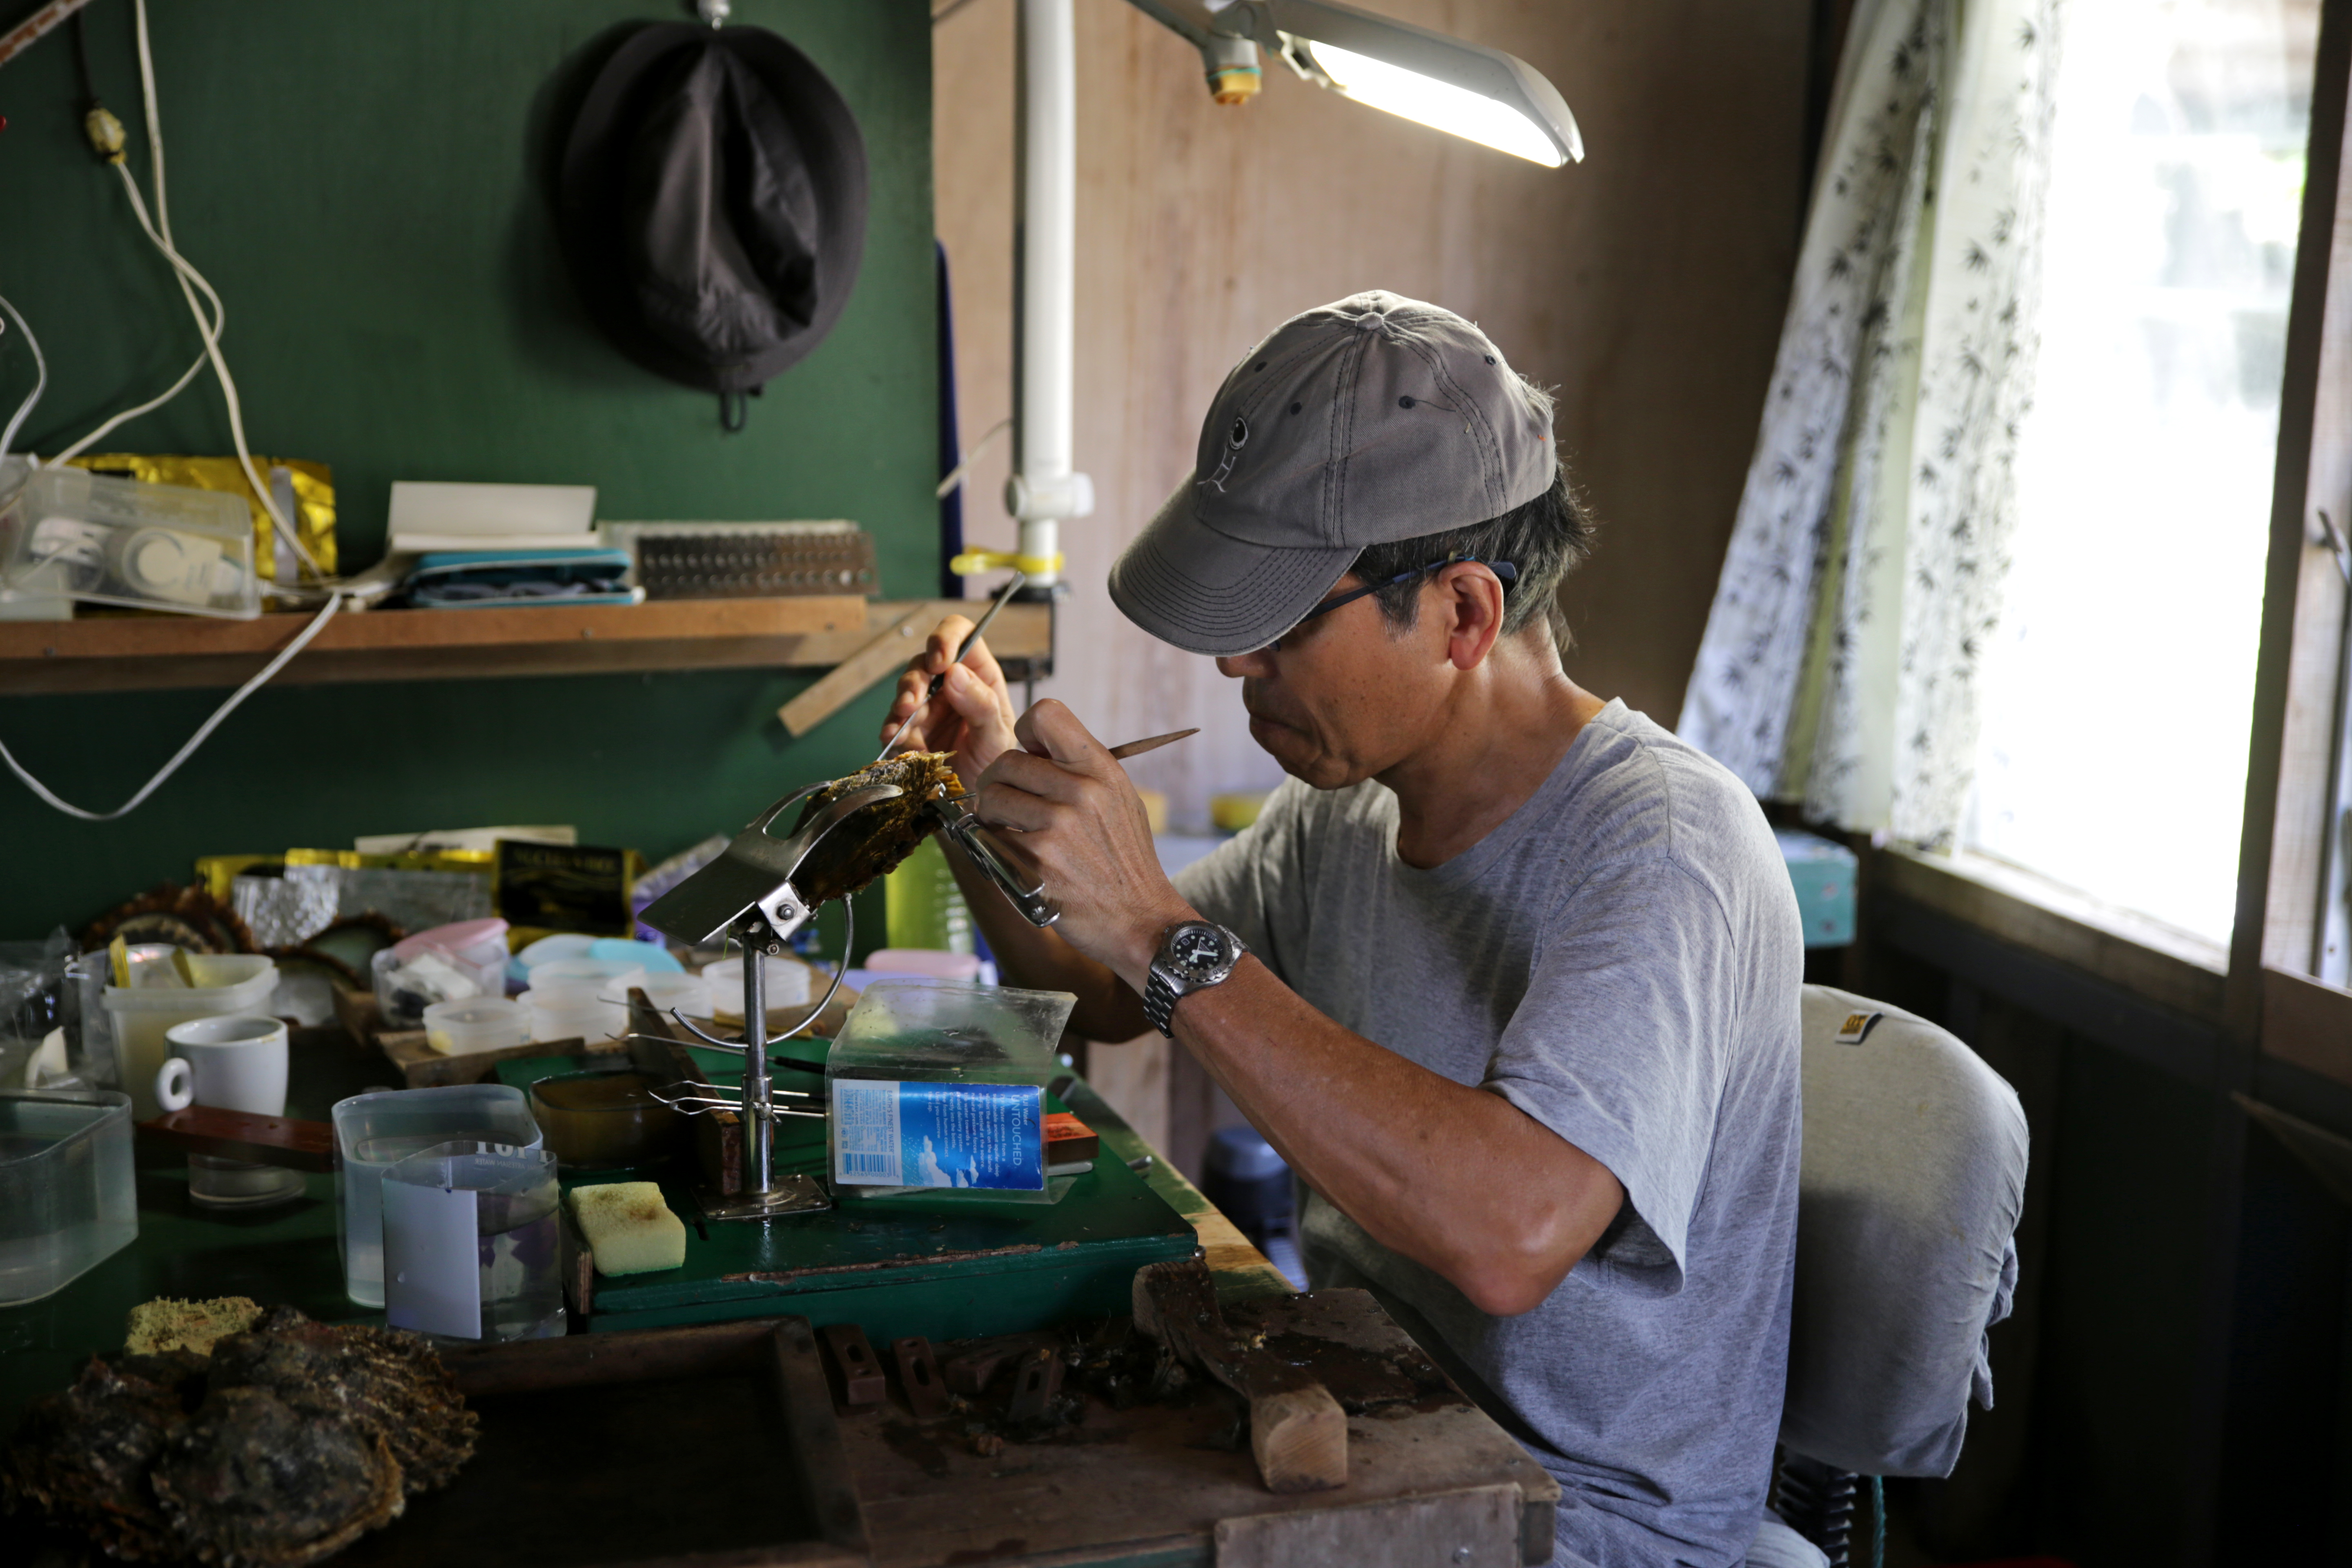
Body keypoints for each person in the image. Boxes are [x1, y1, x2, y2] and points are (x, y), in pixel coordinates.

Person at [881, 291, 1806, 1568]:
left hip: (1584, 1528)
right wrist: (974, 797)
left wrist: (1155, 926)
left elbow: (1513, 1235)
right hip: (1371, 1429)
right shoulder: (1348, 819)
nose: (1235, 665)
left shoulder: (1663, 845)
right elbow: (1096, 991)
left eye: (1281, 621)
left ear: (1464, 615)